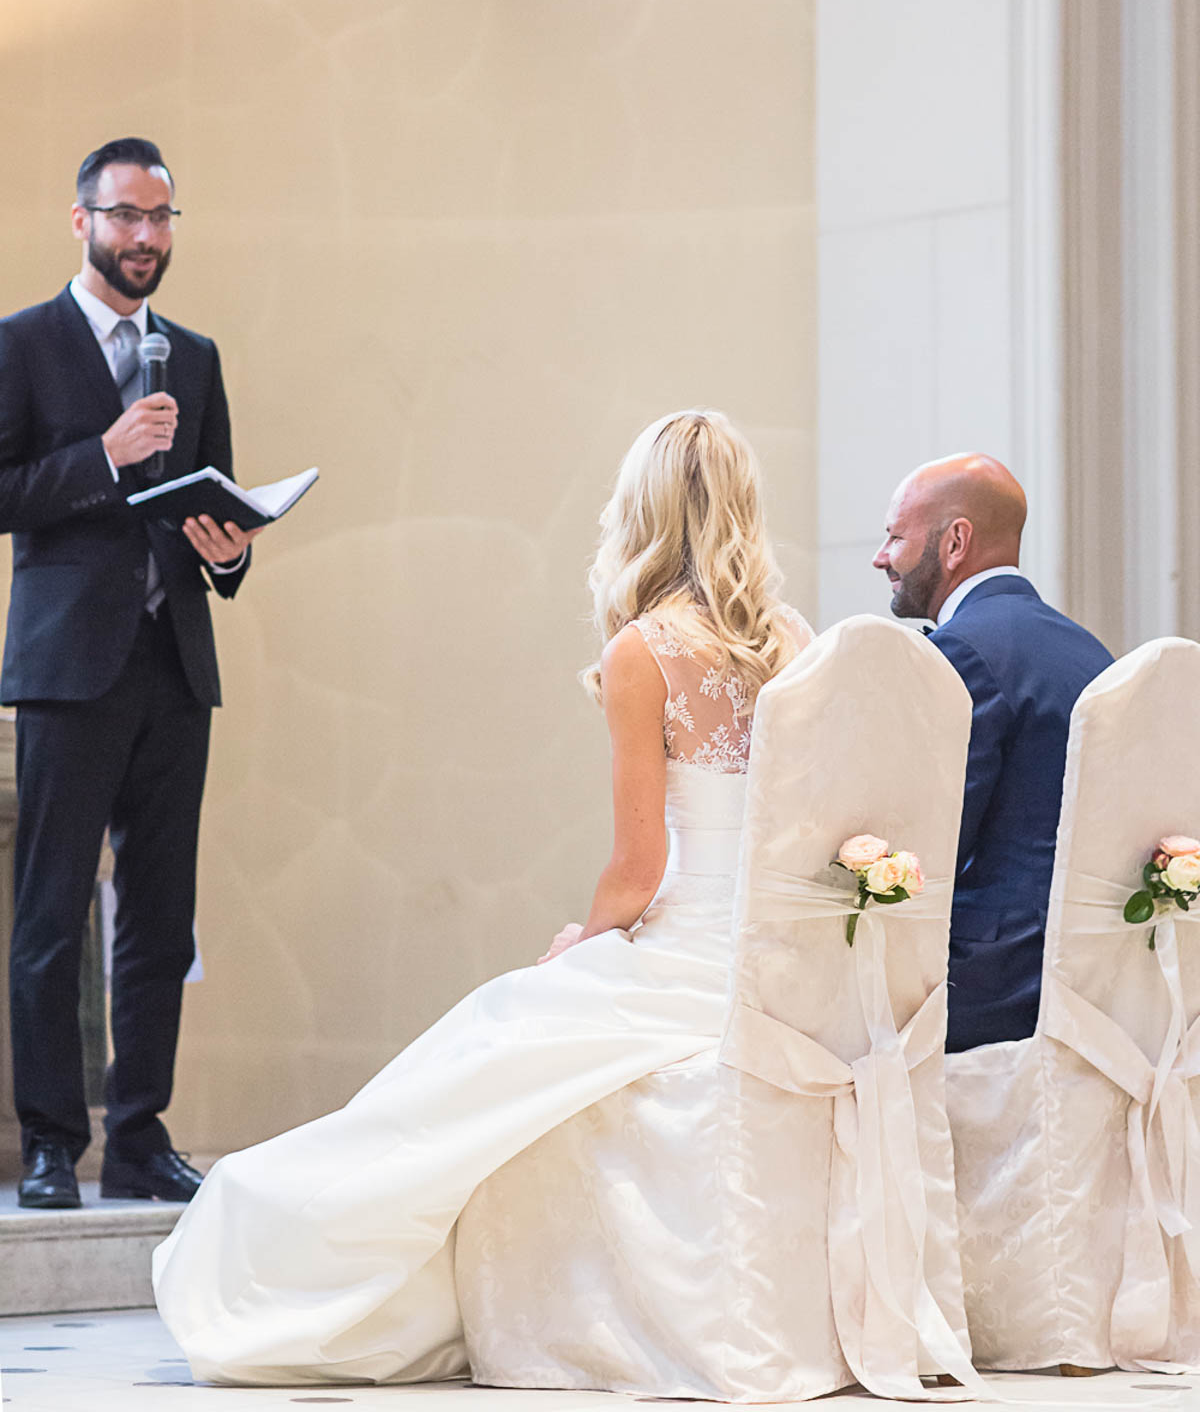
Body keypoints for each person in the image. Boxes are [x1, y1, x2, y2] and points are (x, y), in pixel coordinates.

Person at [153, 409, 813, 1389]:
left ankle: (290, 1250)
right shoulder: (793, 642)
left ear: (644, 510)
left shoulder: (645, 651)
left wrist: (582, 943)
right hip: (766, 956)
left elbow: (638, 870)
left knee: (494, 1030)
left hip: (686, 956)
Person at [0, 137, 263, 1210]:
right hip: (69, 670)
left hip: (173, 666)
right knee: (52, 917)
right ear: (83, 222)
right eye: (126, 216)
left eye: (161, 218)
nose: (146, 236)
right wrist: (102, 457)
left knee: (160, 916)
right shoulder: (22, 343)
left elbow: (219, 499)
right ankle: (51, 1144)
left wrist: (231, 553)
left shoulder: (191, 355)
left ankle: (141, 1137)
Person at [872, 452, 1113, 1052]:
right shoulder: (1088, 648)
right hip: (1093, 977)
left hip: (988, 988)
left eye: (896, 537)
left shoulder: (962, 652)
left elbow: (932, 843)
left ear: (955, 542)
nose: (881, 557)